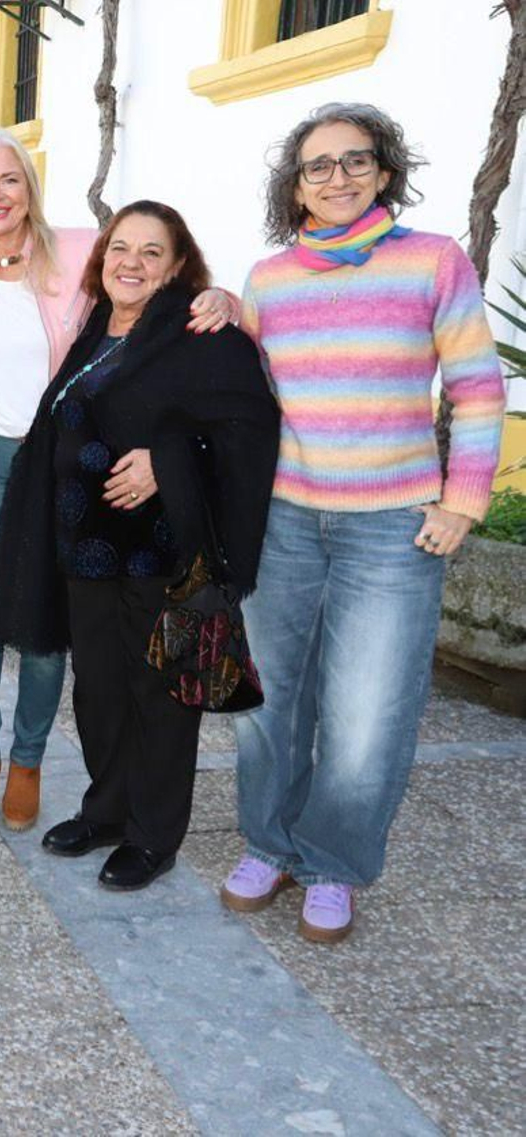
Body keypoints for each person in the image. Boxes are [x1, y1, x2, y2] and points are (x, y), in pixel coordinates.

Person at [0, 128, 239, 835]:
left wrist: (222, 298)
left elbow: (152, 282)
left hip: (64, 464)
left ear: (28, 187)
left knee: (45, 618)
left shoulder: (75, 248)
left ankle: (28, 759)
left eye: (8, 180)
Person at [222, 103, 506, 942]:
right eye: (318, 165)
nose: (337, 177)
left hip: (393, 527)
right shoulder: (269, 280)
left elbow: (478, 388)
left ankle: (334, 861)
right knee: (268, 700)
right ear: (296, 185)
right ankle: (268, 843)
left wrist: (464, 499)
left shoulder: (433, 262)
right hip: (285, 519)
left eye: (356, 161)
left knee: (366, 708)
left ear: (385, 171)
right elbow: (248, 398)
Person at [0, 202, 279, 890]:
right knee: (98, 692)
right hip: (85, 552)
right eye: (121, 247)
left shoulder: (201, 335)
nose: (132, 263)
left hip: (158, 552)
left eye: (153, 252)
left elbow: (251, 427)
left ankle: (154, 834)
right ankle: (107, 810)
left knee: (158, 692)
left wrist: (168, 461)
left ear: (179, 266)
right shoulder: (97, 327)